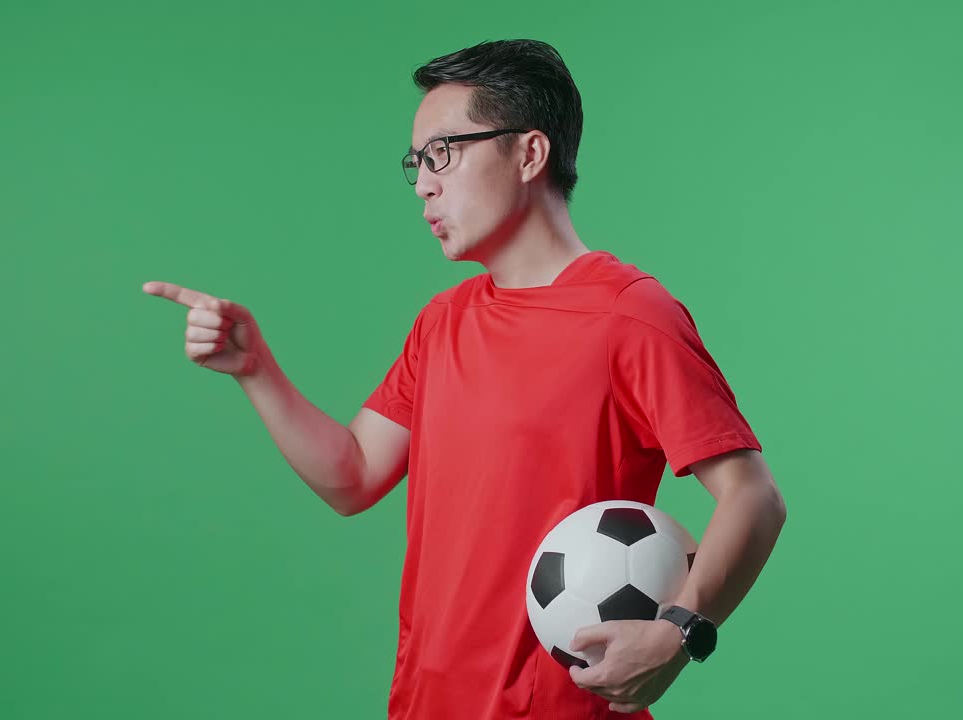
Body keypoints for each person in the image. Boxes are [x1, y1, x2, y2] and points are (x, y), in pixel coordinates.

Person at [143, 39, 787, 720]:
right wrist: (256, 371)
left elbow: (753, 498)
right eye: (416, 162)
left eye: (443, 152)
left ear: (529, 154)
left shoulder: (629, 316)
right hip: (425, 703)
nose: (423, 181)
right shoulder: (442, 321)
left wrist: (677, 633)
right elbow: (354, 475)